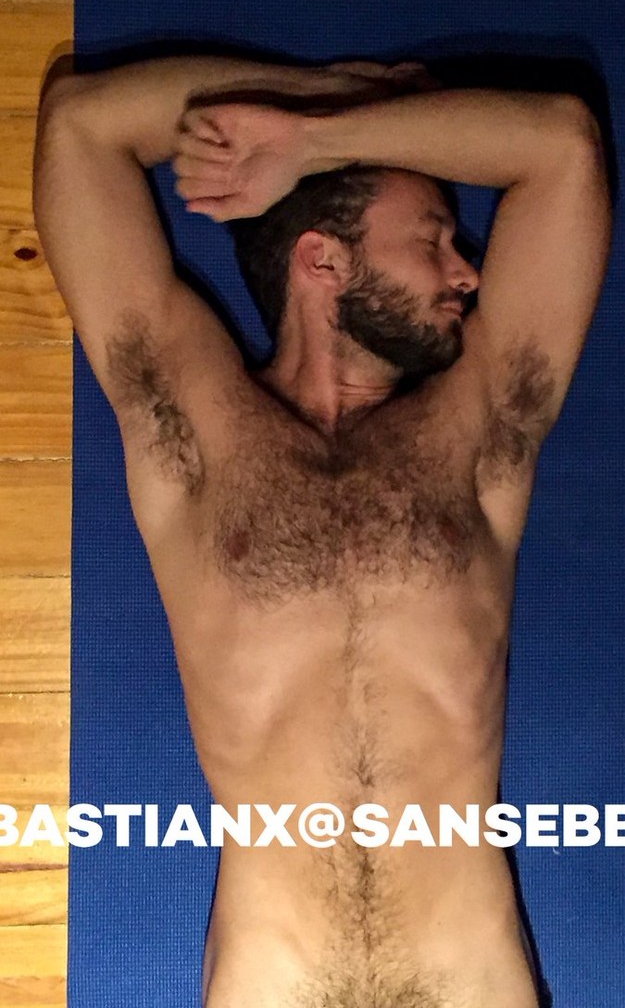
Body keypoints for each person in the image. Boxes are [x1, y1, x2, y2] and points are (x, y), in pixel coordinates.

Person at [33, 49, 611, 1008]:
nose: (464, 271)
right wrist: (326, 100)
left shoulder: (477, 433)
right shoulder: (193, 430)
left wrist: (322, 136)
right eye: (431, 237)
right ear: (323, 259)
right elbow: (80, 126)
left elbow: (562, 148)